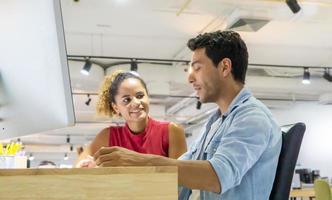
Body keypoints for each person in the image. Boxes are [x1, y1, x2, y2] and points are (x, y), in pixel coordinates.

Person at [93, 30, 282, 200]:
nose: (190, 77)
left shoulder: (252, 117)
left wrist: (136, 160)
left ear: (225, 67)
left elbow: (217, 176)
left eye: (197, 68)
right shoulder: (216, 121)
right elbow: (181, 171)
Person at [76, 70, 187, 167]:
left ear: (148, 97)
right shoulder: (108, 136)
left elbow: (182, 181)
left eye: (140, 96)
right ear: (116, 107)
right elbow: (78, 167)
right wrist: (88, 166)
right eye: (126, 100)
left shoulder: (171, 131)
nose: (136, 103)